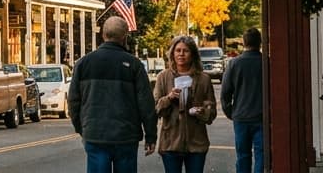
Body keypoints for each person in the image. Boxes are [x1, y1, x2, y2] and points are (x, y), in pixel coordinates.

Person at [67, 16, 157, 173]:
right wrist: (151, 135)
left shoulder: (83, 63)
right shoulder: (134, 64)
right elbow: (146, 103)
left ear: (103, 35)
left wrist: (82, 128)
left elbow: (73, 101)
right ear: (124, 37)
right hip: (126, 135)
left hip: (95, 133)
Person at [153, 36, 216, 173]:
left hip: (197, 144)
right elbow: (156, 109)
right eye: (178, 50)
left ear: (192, 54)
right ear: (172, 53)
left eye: (185, 51)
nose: (181, 54)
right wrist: (169, 98)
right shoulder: (163, 77)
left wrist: (202, 111)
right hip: (170, 144)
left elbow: (212, 113)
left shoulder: (203, 79)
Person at [222, 28, 265, 173]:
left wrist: (231, 112)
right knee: (261, 154)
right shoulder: (266, 62)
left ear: (244, 42)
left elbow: (225, 93)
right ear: (260, 42)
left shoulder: (234, 64)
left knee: (243, 155)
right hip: (261, 116)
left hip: (241, 116)